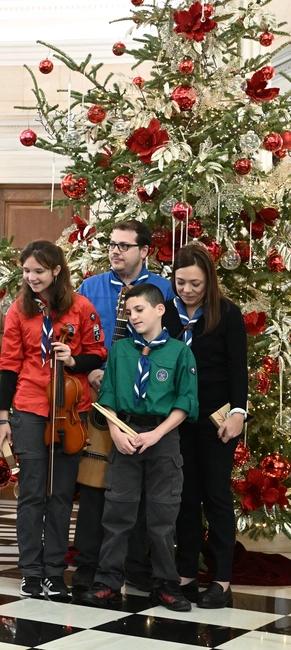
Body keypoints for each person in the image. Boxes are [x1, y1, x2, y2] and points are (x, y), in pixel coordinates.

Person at [0, 240, 107, 600]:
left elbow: (98, 353)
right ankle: (30, 570)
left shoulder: (81, 307)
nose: (31, 278)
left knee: (60, 496)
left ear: (56, 270)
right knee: (31, 495)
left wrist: (73, 360)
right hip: (29, 409)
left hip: (72, 411)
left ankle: (55, 572)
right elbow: (9, 365)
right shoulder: (18, 310)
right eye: (26, 271)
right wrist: (2, 417)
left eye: (38, 271)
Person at [80, 283, 198, 611]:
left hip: (162, 438)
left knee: (162, 516)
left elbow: (185, 402)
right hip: (125, 435)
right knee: (118, 511)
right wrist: (117, 433)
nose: (133, 317)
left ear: (160, 310)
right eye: (129, 312)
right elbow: (109, 399)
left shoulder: (179, 352)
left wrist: (156, 434)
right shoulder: (120, 351)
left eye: (139, 310)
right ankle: (107, 582)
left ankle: (165, 584)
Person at [73, 220, 174, 590]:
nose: (115, 251)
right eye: (112, 244)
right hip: (95, 400)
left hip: (144, 403)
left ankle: (136, 566)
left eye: (124, 246)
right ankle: (88, 565)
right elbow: (80, 340)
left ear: (144, 250)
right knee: (95, 483)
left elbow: (172, 343)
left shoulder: (163, 289)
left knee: (140, 486)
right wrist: (96, 370)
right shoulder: (90, 287)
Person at [166, 244, 247, 608]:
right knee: (184, 498)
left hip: (217, 420)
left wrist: (238, 414)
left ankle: (222, 580)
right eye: (181, 282)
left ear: (209, 280)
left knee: (215, 497)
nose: (187, 290)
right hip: (177, 419)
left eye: (195, 283)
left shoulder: (227, 313)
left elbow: (237, 369)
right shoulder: (165, 313)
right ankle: (185, 575)